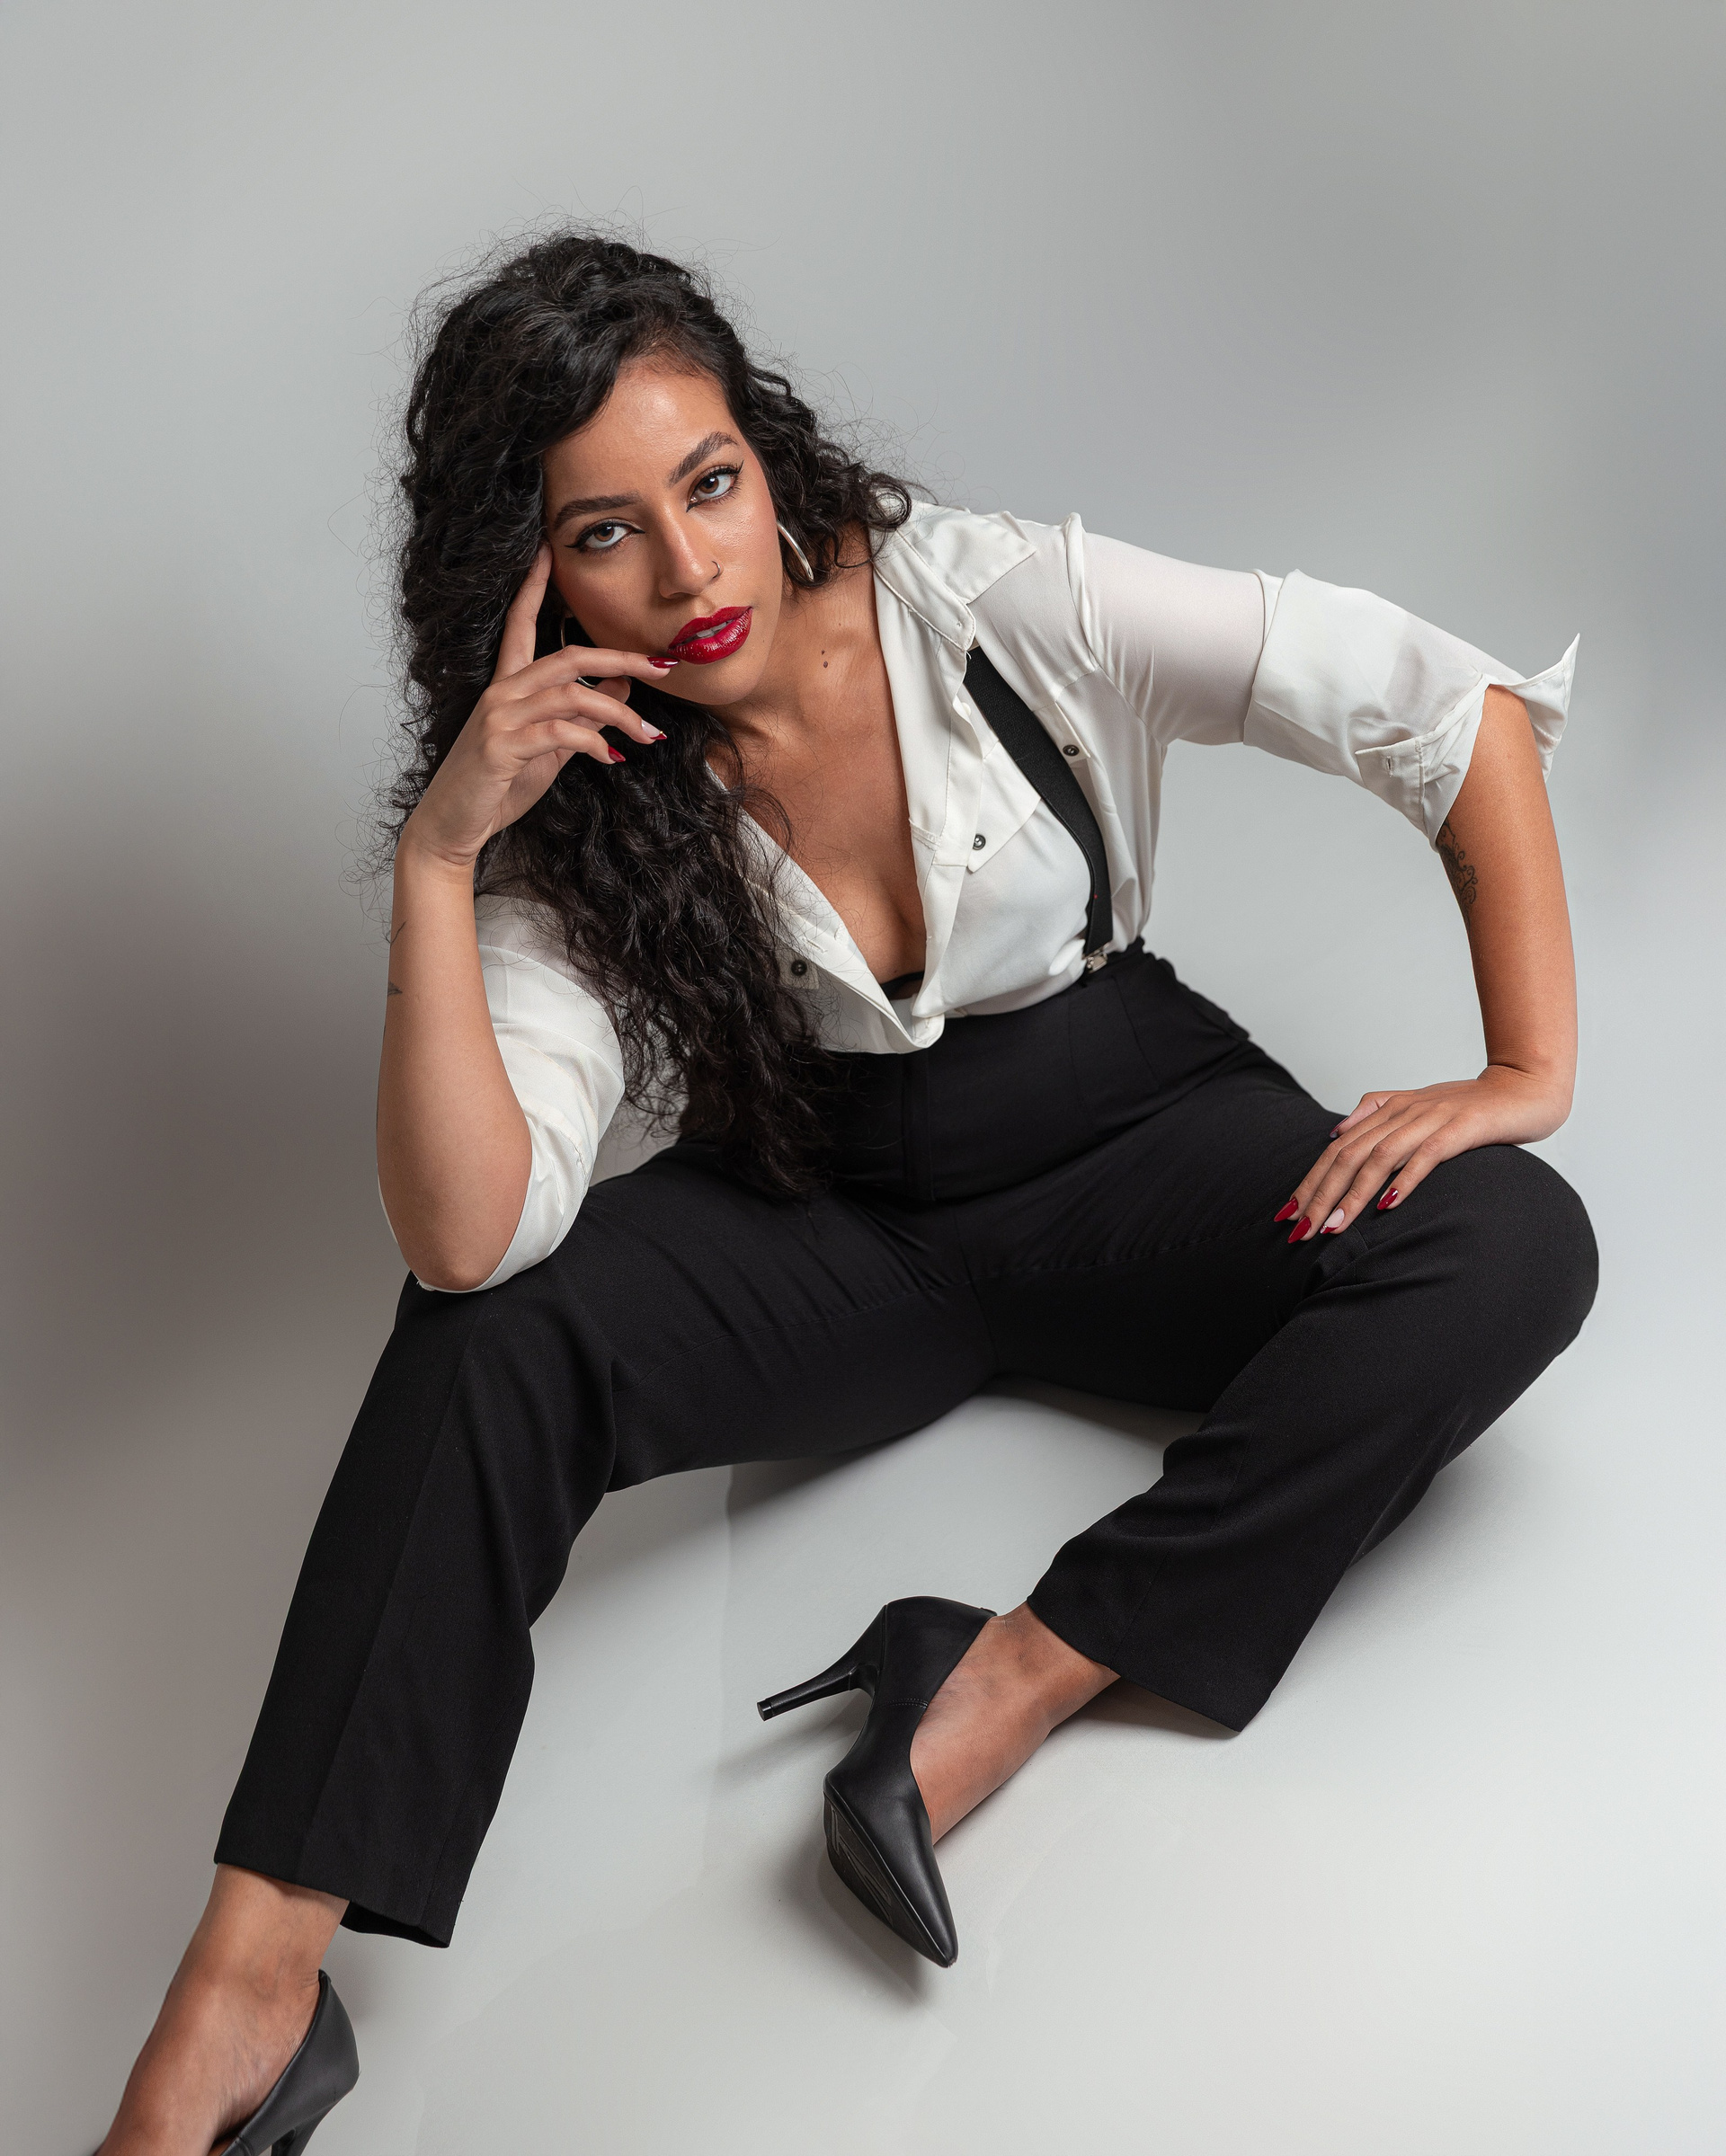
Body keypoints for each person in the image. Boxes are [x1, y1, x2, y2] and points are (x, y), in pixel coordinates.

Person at [95, 231, 1597, 2155]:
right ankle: (254, 1983)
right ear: (530, 578)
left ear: (767, 452)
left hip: (1133, 1135)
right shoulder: (578, 807)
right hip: (826, 1210)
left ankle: (1009, 1673)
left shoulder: (994, 601)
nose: (690, 570)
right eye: (607, 533)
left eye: (710, 484)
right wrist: (443, 861)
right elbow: (468, 1232)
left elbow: (1436, 704)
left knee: (1509, 1241)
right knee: (488, 1336)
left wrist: (1525, 1071)